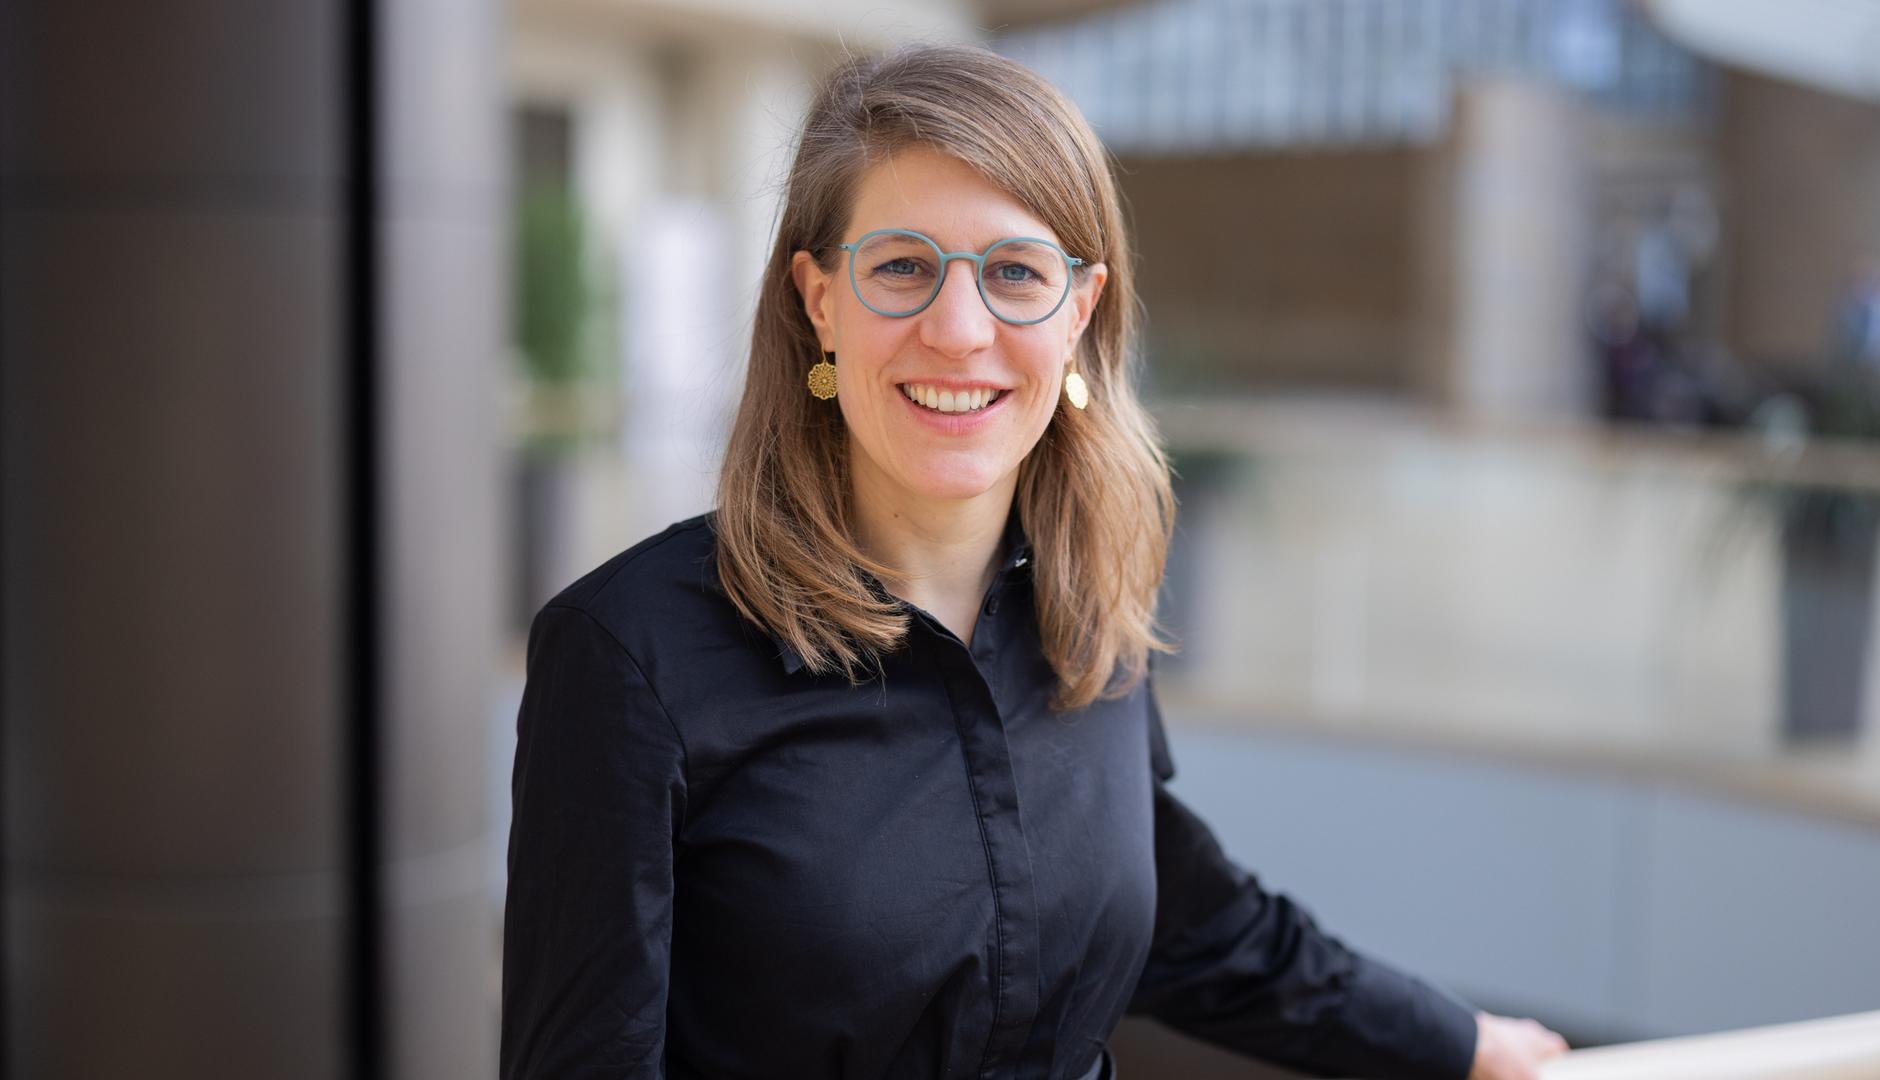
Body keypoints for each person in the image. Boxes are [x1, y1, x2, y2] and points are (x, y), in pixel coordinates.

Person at [500, 43, 1571, 1080]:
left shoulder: (1089, 597)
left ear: (1080, 312)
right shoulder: (629, 654)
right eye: (904, 267)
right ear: (819, 302)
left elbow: (1198, 928)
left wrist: (1459, 1044)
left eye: (1015, 271)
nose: (959, 330)